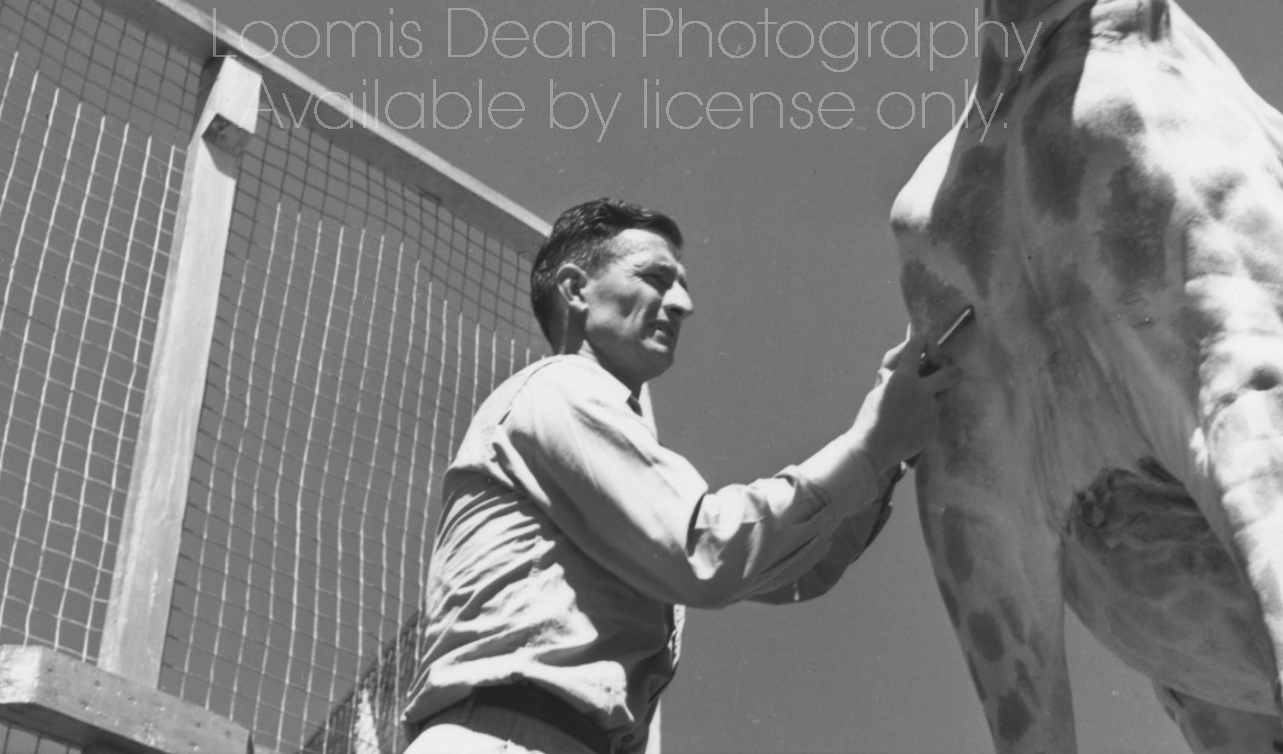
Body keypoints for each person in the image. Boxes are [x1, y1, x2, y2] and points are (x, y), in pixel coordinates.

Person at [402, 198, 959, 754]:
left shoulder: (595, 444)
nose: (683, 303)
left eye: (683, 285)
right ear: (574, 290)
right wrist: (871, 446)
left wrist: (889, 448)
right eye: (654, 278)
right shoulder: (559, 387)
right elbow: (709, 550)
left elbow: (795, 570)